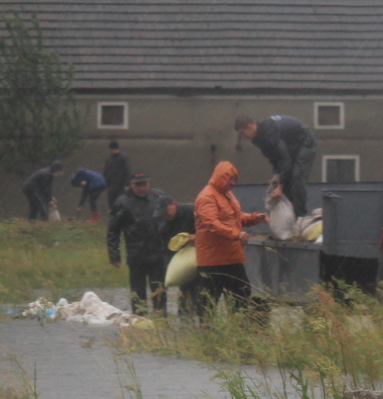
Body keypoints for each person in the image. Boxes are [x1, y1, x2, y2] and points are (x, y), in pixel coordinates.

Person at [192, 160, 266, 310]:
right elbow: (211, 223)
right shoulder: (207, 197)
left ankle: (238, 328)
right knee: (208, 303)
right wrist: (236, 234)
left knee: (242, 296)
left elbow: (235, 217)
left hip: (232, 258)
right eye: (229, 179)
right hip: (212, 261)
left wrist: (254, 218)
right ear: (220, 178)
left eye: (234, 179)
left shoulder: (228, 195)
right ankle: (206, 332)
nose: (232, 183)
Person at [106, 172, 175, 314]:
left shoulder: (159, 197)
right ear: (132, 185)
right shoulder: (122, 202)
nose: (141, 188)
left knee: (160, 291)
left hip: (158, 254)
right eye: (138, 185)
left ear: (149, 183)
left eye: (144, 184)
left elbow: (171, 220)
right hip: (136, 255)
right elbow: (113, 230)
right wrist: (114, 255)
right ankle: (139, 321)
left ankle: (161, 320)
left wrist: (172, 249)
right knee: (138, 293)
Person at [235, 114, 318, 216]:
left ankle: (301, 216)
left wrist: (279, 187)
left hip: (305, 141)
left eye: (243, 133)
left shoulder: (269, 133)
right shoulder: (258, 138)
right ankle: (291, 216)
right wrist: (277, 175)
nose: (244, 137)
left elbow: (285, 160)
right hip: (291, 145)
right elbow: (274, 158)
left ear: (250, 126)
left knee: (297, 176)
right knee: (286, 182)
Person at [102, 139, 132, 214]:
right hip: (111, 185)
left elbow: (127, 171)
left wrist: (127, 184)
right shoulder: (109, 159)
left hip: (120, 185)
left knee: (120, 202)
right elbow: (106, 172)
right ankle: (113, 217)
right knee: (111, 202)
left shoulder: (123, 158)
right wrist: (105, 183)